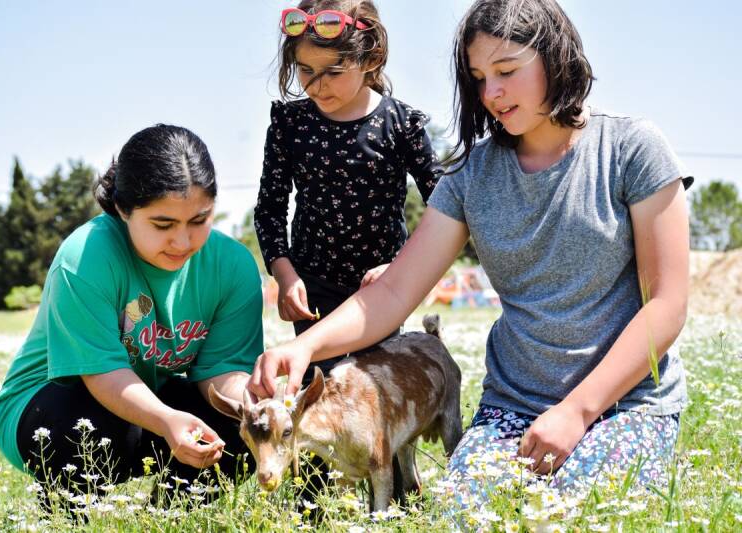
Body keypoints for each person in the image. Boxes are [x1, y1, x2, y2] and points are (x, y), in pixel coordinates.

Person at [248, 0, 691, 510]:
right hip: (513, 409)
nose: (491, 93)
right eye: (479, 78)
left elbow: (668, 303)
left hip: (624, 406)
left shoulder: (632, 149)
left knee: (578, 510)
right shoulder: (471, 177)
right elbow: (391, 293)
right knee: (465, 513)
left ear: (556, 56)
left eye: (506, 71)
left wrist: (576, 412)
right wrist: (306, 348)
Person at [0, 125, 263, 508]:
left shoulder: (233, 267)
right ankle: (66, 515)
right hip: (52, 404)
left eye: (199, 220)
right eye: (162, 225)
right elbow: (102, 373)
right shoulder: (85, 257)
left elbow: (221, 371)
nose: (183, 242)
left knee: (241, 428)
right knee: (84, 429)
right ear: (122, 209)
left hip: (146, 402)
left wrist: (256, 406)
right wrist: (167, 421)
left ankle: (166, 517)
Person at [254, 0, 444, 354]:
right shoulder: (289, 125)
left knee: (372, 390)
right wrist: (285, 275)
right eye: (305, 69)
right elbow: (269, 211)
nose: (317, 85)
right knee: (323, 394)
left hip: (382, 288)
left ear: (370, 59)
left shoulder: (401, 124)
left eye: (334, 71)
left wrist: (399, 267)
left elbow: (446, 205)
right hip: (312, 284)